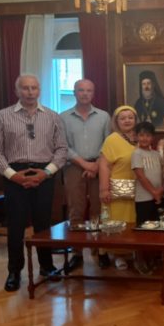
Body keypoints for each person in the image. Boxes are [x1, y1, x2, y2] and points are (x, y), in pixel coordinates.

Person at [0, 74, 68, 292]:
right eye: (25, 88)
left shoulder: (52, 116)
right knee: (16, 226)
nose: (30, 92)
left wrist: (46, 173)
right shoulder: (3, 116)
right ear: (17, 91)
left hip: (44, 174)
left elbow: (62, 149)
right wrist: (13, 175)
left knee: (43, 224)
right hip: (15, 175)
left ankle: (47, 266)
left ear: (39, 90)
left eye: (34, 88)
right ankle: (14, 271)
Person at [60, 79, 110, 273]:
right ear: (74, 92)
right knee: (76, 210)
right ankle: (77, 253)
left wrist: (96, 165)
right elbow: (63, 146)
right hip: (74, 167)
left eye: (89, 90)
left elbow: (108, 143)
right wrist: (84, 164)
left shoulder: (103, 116)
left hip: (100, 166)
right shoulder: (63, 117)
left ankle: (101, 251)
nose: (85, 93)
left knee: (100, 209)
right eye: (81, 90)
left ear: (93, 93)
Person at [99, 105, 138, 270]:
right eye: (123, 118)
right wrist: (104, 189)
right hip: (117, 188)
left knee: (133, 221)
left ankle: (132, 252)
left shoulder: (139, 137)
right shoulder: (112, 139)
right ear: (116, 121)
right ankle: (117, 255)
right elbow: (104, 166)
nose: (127, 121)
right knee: (117, 223)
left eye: (130, 117)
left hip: (137, 188)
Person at [132, 121, 164, 275]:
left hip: (157, 197)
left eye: (148, 135)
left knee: (156, 229)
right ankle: (141, 260)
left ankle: (152, 258)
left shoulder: (156, 154)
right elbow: (140, 176)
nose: (144, 138)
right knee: (143, 231)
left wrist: (162, 189)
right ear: (136, 137)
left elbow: (163, 174)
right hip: (143, 198)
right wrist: (154, 192)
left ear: (152, 137)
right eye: (141, 135)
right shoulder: (136, 154)